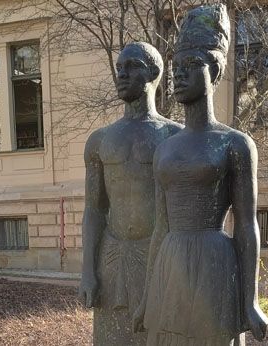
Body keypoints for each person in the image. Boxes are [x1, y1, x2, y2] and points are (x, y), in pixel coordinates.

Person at [133, 5, 268, 345]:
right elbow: (160, 226)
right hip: (171, 261)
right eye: (176, 68)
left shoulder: (235, 144)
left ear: (216, 70)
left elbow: (247, 224)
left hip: (214, 263)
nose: (179, 75)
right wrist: (148, 296)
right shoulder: (164, 149)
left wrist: (250, 300)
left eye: (191, 66)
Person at [79, 42, 183, 345]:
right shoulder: (99, 141)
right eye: (118, 68)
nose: (121, 74)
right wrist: (88, 271)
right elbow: (94, 210)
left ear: (153, 72)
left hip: (158, 259)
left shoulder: (174, 138)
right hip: (111, 258)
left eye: (131, 66)